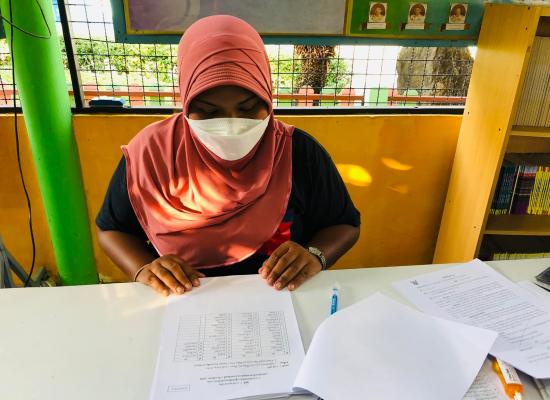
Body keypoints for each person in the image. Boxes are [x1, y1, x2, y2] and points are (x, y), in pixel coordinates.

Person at [96, 15, 360, 297]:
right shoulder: (150, 154)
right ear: (186, 101)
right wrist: (143, 268)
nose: (232, 124)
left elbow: (344, 224)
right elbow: (112, 230)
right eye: (209, 112)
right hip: (186, 304)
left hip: (282, 302)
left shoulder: (297, 151)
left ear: (267, 96)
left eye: (248, 108)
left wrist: (315, 254)